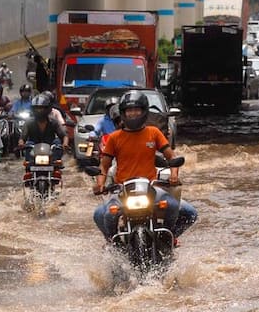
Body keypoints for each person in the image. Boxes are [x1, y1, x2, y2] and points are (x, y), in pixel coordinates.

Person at [92, 90, 197, 243]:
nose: (133, 114)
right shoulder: (114, 138)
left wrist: (174, 174)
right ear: (123, 113)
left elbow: (171, 156)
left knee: (187, 211)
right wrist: (100, 183)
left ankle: (168, 237)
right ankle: (112, 243)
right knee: (102, 214)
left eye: (137, 110)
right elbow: (104, 165)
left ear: (144, 111)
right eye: (129, 110)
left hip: (151, 188)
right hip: (122, 189)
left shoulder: (153, 133)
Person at [18, 93, 69, 164]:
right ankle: (29, 169)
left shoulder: (54, 122)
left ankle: (57, 165)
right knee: (28, 146)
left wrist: (65, 144)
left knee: (57, 143)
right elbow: (23, 137)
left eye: (41, 108)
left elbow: (64, 135)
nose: (39, 111)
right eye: (37, 108)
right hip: (33, 150)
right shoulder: (29, 122)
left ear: (47, 109)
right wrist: (21, 144)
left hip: (50, 149)